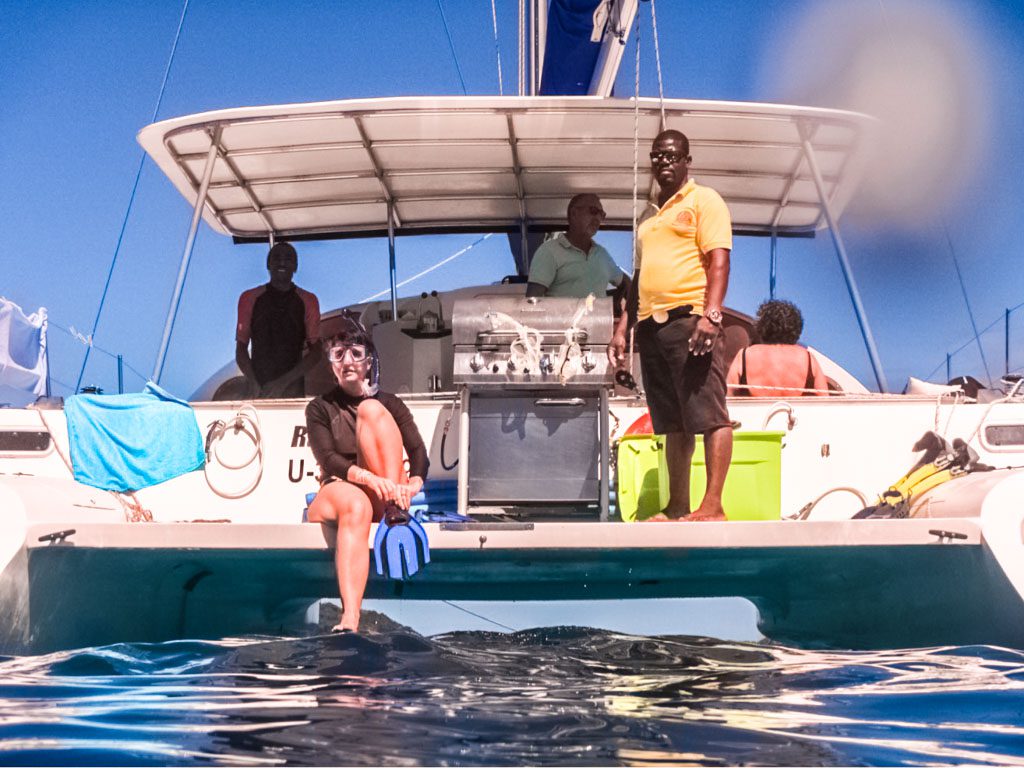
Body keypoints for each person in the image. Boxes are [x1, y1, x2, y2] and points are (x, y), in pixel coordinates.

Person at [608, 129, 734, 522]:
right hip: (650, 327)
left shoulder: (704, 200)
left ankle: (712, 505)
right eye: (658, 156)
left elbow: (719, 261)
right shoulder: (646, 216)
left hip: (690, 320)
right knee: (672, 422)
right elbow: (638, 276)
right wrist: (623, 329)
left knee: (710, 415)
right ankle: (677, 505)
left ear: (687, 161)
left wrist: (711, 315)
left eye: (672, 156)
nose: (664, 162)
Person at [304, 321, 429, 633]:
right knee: (356, 505)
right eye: (338, 355)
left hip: (384, 495)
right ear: (332, 364)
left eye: (355, 354)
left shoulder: (389, 404)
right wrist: (369, 480)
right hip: (341, 490)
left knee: (370, 409)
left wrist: (413, 484)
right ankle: (351, 618)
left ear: (368, 362)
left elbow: (418, 452)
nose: (347, 362)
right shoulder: (319, 408)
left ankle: (394, 509)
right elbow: (327, 460)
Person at [235, 242, 321, 398]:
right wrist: (253, 381)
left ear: (295, 267)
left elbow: (316, 352)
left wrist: (284, 382)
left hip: (292, 391)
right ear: (268, 264)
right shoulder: (249, 298)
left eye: (288, 258)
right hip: (257, 390)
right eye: (276, 258)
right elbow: (241, 349)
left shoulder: (308, 300)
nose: (282, 262)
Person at [527, 193, 630, 305]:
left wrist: (623, 312)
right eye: (593, 211)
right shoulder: (549, 251)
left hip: (600, 322)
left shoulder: (602, 254)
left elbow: (627, 284)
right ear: (574, 213)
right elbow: (532, 302)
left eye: (602, 214)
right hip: (563, 322)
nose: (598, 218)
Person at [727, 299, 828, 398]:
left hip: (753, 414)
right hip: (796, 414)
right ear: (796, 327)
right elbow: (825, 401)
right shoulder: (808, 358)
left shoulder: (745, 355)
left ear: (762, 326)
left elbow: (727, 396)